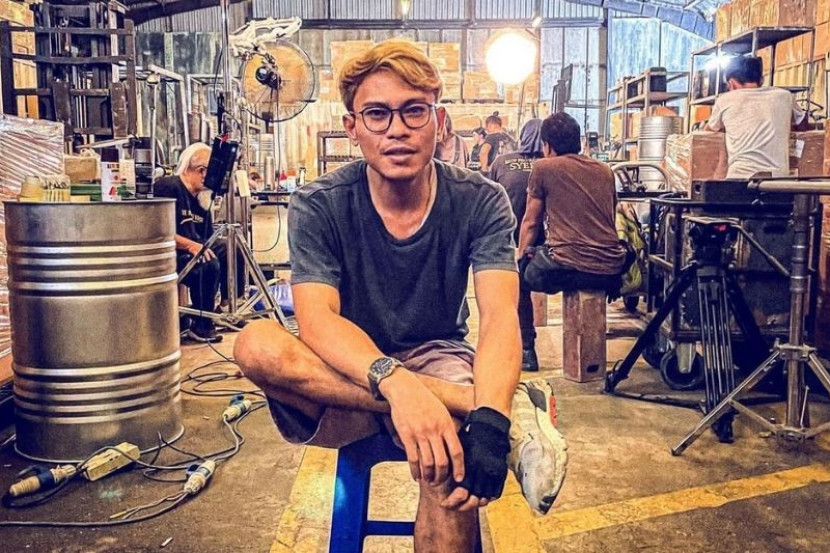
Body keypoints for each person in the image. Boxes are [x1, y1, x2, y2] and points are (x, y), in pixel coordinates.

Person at [234, 40, 568, 551]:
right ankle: (481, 403)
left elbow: (501, 316)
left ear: (439, 121)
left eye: (414, 111)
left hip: (436, 353)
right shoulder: (318, 204)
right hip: (343, 367)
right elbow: (318, 322)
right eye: (377, 114)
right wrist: (410, 389)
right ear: (352, 128)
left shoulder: (480, 200)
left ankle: (464, 404)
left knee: (448, 459)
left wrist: (483, 424)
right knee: (255, 343)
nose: (396, 130)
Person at [517, 112, 627, 298]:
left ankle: (522, 320)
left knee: (520, 272)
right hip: (610, 269)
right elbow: (611, 215)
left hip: (566, 268)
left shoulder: (543, 167)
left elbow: (531, 222)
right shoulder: (605, 170)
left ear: (547, 146)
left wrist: (520, 257)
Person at [154, 143, 245, 343]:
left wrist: (205, 245)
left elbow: (208, 237)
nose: (209, 178)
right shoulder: (168, 187)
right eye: (207, 172)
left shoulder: (202, 199)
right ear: (198, 170)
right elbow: (157, 231)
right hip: (172, 253)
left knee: (231, 249)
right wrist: (190, 245)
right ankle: (202, 325)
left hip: (195, 250)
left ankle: (226, 307)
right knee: (208, 262)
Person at [489, 119, 545, 372]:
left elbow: (490, 197)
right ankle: (525, 348)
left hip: (506, 236)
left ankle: (526, 350)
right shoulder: (551, 165)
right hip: (545, 241)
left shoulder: (502, 162)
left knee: (514, 287)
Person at [704, 55, 808, 179]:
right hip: (778, 180)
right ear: (762, 80)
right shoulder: (785, 96)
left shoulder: (724, 100)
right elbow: (803, 126)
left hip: (739, 179)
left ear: (731, 83)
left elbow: (707, 135)